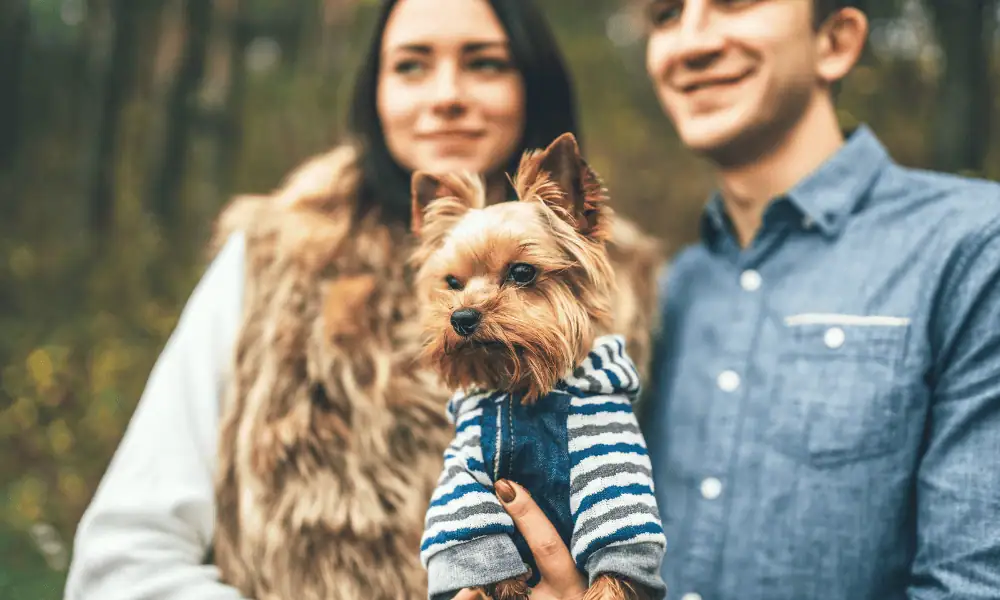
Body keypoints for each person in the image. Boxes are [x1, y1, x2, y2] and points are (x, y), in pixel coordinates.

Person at [63, 0, 663, 598]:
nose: (447, 94)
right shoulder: (273, 261)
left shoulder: (637, 292)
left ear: (534, 82)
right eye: (410, 65)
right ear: (374, 92)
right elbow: (121, 561)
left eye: (484, 63)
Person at [490, 1, 1000, 599]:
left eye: (734, 2)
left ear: (835, 41)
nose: (692, 42)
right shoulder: (663, 292)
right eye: (666, 15)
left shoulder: (969, 245)